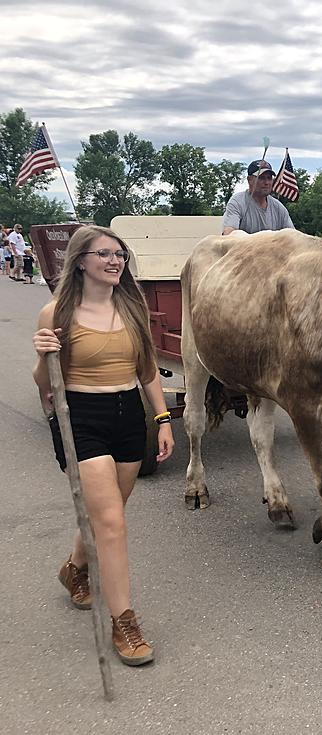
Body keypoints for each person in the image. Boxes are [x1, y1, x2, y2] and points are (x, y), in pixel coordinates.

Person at [32, 225, 174, 666]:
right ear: (80, 261)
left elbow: (148, 369)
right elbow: (45, 387)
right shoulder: (55, 314)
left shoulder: (131, 307)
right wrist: (42, 356)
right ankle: (124, 623)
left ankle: (74, 567)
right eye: (105, 254)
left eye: (120, 255)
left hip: (129, 416)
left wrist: (163, 419)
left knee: (108, 511)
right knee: (111, 522)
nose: (115, 262)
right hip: (81, 419)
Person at [221, 159, 295, 235]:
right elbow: (229, 234)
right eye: (261, 178)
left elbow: (292, 236)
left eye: (269, 178)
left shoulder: (279, 208)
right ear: (249, 180)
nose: (266, 182)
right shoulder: (237, 202)